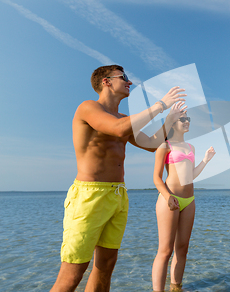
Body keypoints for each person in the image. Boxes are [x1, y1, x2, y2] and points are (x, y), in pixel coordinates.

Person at [51, 65, 187, 292]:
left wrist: (169, 120)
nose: (129, 82)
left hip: (118, 195)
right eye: (123, 77)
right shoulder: (88, 108)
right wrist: (160, 105)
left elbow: (152, 144)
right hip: (88, 195)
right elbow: (117, 129)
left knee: (106, 266)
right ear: (106, 81)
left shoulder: (124, 117)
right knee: (73, 272)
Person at [152, 113, 216, 291]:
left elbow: (191, 175)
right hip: (169, 199)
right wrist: (167, 197)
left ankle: (176, 287)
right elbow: (157, 178)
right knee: (165, 251)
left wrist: (205, 160)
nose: (187, 121)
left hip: (189, 200)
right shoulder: (165, 146)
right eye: (183, 119)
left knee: (182, 249)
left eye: (189, 118)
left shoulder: (191, 147)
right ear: (172, 123)